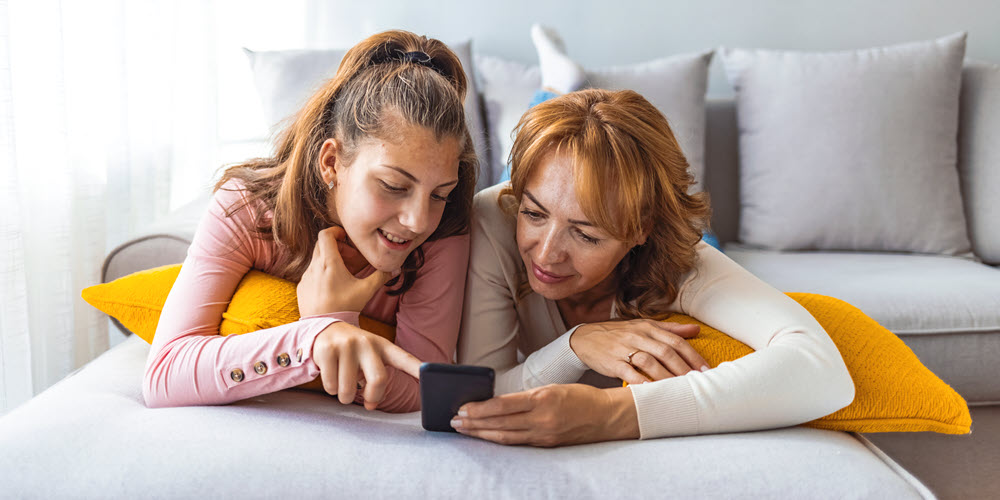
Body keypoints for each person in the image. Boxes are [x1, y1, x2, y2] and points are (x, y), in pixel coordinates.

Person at [454, 26, 854, 446]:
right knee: (532, 176)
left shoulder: (680, 259)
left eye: (586, 236)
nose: (547, 255)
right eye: (534, 214)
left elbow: (821, 369)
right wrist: (574, 346)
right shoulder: (495, 217)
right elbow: (479, 391)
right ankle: (555, 85)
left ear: (639, 229)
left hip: (665, 242)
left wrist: (613, 415)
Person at [143, 30, 478, 413]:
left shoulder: (444, 231)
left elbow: (424, 384)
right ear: (331, 162)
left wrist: (335, 321)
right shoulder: (248, 209)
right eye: (393, 186)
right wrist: (315, 338)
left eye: (439, 194)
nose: (417, 221)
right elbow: (165, 373)